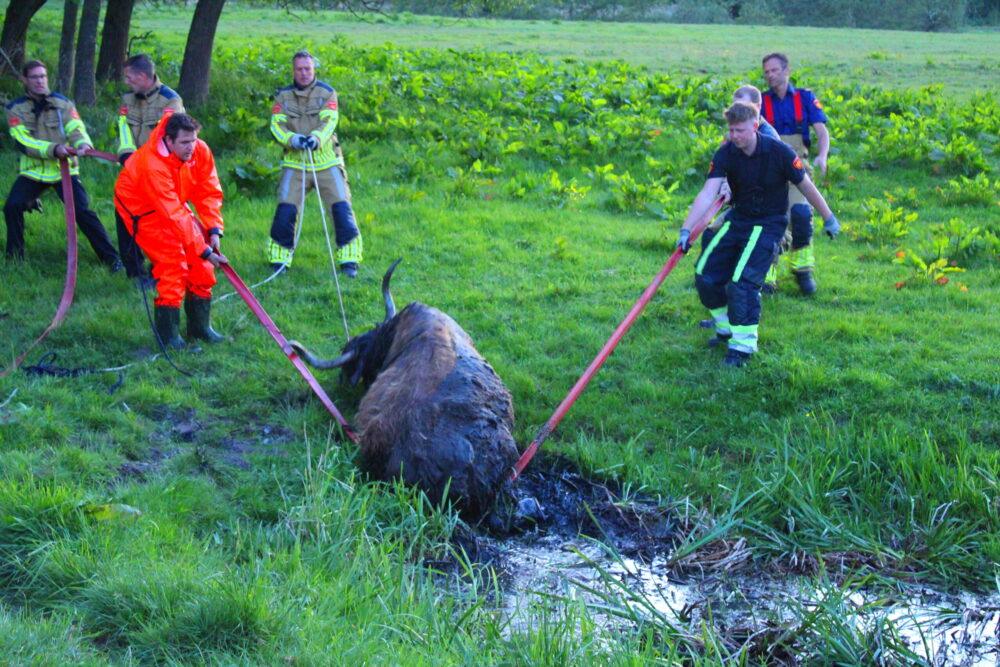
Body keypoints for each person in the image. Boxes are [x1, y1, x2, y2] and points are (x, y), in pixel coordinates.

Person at [676, 101, 839, 368]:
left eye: (740, 130)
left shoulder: (779, 152)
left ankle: (742, 348)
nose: (735, 136)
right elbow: (708, 192)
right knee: (705, 274)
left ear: (755, 125)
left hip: (768, 224)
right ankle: (725, 328)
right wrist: (686, 229)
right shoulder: (727, 152)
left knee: (743, 283)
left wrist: (829, 218)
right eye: (731, 130)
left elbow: (806, 186)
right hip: (738, 218)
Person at [114, 112, 228, 350]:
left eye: (193, 140)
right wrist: (205, 250)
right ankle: (169, 339)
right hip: (142, 209)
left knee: (201, 265)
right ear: (168, 141)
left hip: (172, 201)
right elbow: (173, 214)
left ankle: (199, 329)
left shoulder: (199, 150)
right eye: (185, 142)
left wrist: (213, 229)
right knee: (173, 264)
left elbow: (208, 190)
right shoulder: (151, 163)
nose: (191, 147)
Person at [3, 60, 121, 270]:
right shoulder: (15, 109)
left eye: (43, 76)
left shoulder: (63, 103)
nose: (40, 81)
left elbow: (76, 127)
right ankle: (15, 260)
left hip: (63, 171)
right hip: (33, 172)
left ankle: (112, 259)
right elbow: (23, 141)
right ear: (24, 80)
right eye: (34, 77)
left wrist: (83, 144)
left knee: (83, 212)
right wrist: (54, 149)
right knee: (12, 207)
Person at [266, 50, 362, 277]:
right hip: (295, 164)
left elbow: (330, 122)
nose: (303, 73)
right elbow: (276, 126)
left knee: (341, 209)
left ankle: (349, 263)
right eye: (299, 69)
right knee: (285, 211)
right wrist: (293, 140)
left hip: (327, 163)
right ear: (293, 70)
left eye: (307, 68)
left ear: (313, 69)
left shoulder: (327, 93)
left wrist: (316, 139)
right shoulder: (282, 96)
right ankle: (279, 262)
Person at [761, 52, 830, 295]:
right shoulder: (760, 101)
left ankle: (802, 271)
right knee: (768, 221)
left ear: (786, 69)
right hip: (767, 169)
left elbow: (822, 131)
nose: (770, 75)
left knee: (801, 214)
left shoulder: (805, 98)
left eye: (774, 70)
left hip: (798, 166)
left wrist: (822, 155)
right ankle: (765, 277)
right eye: (766, 72)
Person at [115, 54, 185, 283]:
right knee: (125, 216)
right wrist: (126, 153)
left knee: (161, 225)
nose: (127, 82)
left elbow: (167, 138)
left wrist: (141, 161)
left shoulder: (170, 101)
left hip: (160, 175)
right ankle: (135, 272)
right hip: (133, 173)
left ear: (143, 76)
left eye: (129, 77)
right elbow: (123, 127)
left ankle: (164, 272)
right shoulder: (128, 99)